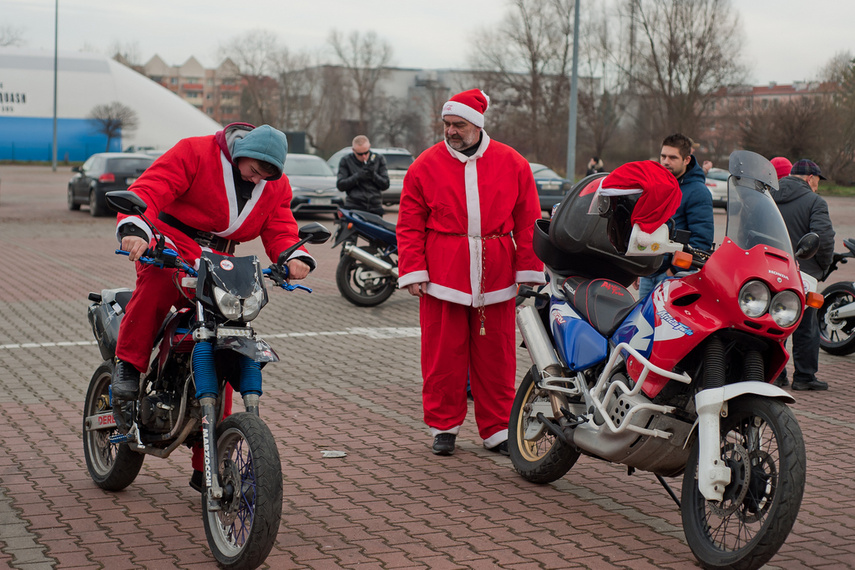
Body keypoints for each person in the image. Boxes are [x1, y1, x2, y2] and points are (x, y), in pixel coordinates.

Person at [111, 122, 317, 487]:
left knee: (223, 342)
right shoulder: (194, 151)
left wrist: (293, 255)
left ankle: (207, 464)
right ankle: (128, 364)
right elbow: (151, 188)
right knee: (157, 287)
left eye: (267, 175)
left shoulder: (273, 184)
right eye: (255, 169)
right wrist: (135, 227)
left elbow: (280, 223)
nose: (257, 179)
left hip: (222, 262)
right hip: (170, 245)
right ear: (242, 152)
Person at [396, 89, 545, 457]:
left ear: (477, 124)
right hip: (443, 274)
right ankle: (443, 426)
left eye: (458, 125)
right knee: (442, 356)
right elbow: (410, 223)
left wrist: (529, 270)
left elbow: (528, 221)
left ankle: (497, 429)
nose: (451, 131)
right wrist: (413, 270)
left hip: (496, 273)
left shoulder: (513, 163)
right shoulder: (424, 165)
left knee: (496, 357)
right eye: (447, 124)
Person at [772, 159, 835, 391]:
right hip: (803, 273)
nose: (817, 185)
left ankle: (775, 374)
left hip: (769, 268)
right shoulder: (815, 201)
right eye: (817, 180)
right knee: (806, 326)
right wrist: (822, 268)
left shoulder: (768, 196)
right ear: (810, 178)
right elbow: (824, 240)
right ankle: (805, 376)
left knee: (774, 321)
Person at [637, 133, 714, 298]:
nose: (665, 161)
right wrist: (637, 268)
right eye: (663, 156)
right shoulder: (656, 185)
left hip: (673, 277)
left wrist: (674, 271)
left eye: (672, 157)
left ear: (686, 160)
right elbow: (645, 227)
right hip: (647, 273)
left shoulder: (698, 192)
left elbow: (701, 241)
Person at [336, 135, 390, 216]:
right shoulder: (346, 160)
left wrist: (373, 175)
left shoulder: (378, 159)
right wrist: (358, 176)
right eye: (360, 154)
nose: (364, 156)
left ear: (369, 147)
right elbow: (340, 185)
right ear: (353, 150)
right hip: (354, 206)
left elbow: (385, 184)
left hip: (374, 207)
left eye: (366, 152)